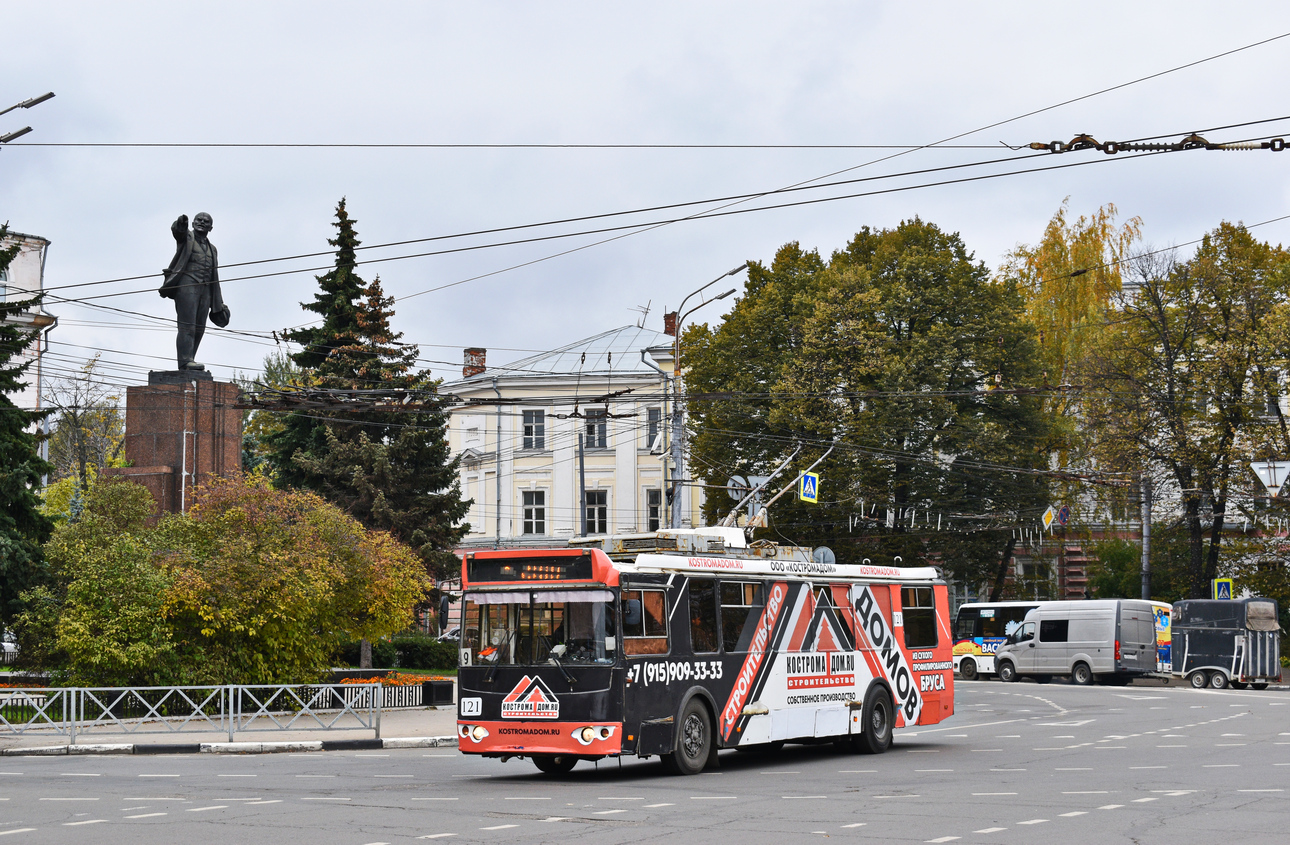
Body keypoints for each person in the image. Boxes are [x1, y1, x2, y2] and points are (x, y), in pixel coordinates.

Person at [159, 212, 230, 371]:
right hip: (188, 284)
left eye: (206, 221)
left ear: (211, 228)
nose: (202, 222)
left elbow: (215, 275)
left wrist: (218, 302)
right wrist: (181, 223)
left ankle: (190, 359)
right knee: (187, 325)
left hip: (206, 289)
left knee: (199, 327)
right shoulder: (187, 238)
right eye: (199, 220)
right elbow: (178, 232)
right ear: (192, 223)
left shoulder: (213, 249)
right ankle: (185, 360)